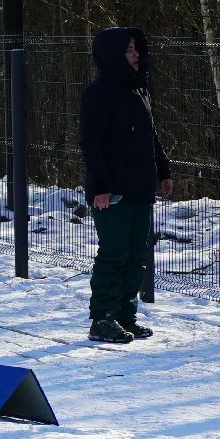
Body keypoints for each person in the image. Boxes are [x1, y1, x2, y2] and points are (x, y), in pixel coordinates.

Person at [79, 26, 173, 344]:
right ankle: (102, 318)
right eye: (129, 50)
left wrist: (163, 169)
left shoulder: (139, 89)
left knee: (137, 254)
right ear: (113, 54)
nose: (136, 55)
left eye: (137, 49)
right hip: (113, 191)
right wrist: (102, 185)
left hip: (141, 185)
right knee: (114, 253)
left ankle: (124, 315)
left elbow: (150, 133)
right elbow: (91, 144)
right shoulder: (99, 92)